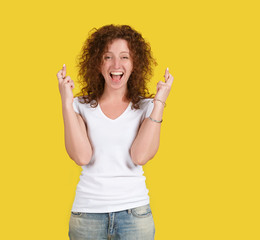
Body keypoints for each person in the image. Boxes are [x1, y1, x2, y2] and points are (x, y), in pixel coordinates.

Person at [56, 24, 173, 240]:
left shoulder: (146, 107)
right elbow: (81, 156)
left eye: (124, 57)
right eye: (108, 57)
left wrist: (159, 102)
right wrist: (66, 101)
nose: (116, 64)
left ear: (135, 63)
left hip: (135, 216)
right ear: (97, 63)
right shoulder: (79, 106)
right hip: (87, 215)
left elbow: (140, 156)